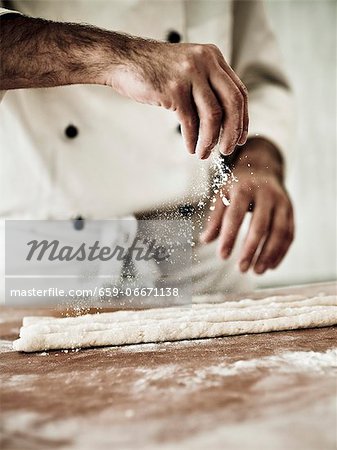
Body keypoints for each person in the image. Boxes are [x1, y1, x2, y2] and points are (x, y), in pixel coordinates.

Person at [0, 0, 295, 298]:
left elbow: (254, 81)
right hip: (51, 255)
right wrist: (120, 57)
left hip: (200, 250)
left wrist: (257, 160)